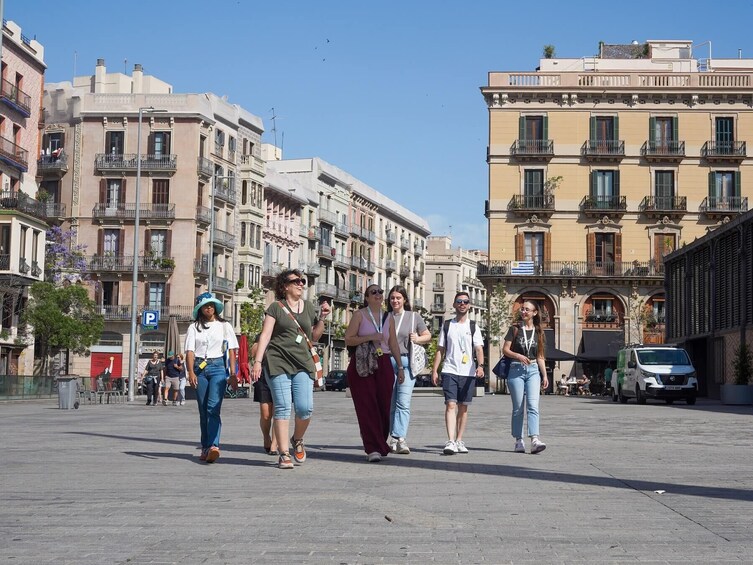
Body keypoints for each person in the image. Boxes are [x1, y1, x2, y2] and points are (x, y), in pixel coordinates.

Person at [251, 270, 331, 469]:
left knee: (305, 408)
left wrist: (322, 318)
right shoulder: (276, 308)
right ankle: (284, 453)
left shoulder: (309, 307)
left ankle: (298, 439)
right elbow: (265, 335)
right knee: (283, 406)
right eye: (296, 281)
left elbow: (314, 336)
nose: (301, 284)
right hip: (278, 362)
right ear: (285, 286)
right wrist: (258, 362)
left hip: (303, 363)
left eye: (302, 281)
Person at [344, 283, 403, 462]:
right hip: (363, 364)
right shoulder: (359, 315)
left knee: (384, 406)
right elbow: (349, 339)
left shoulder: (389, 317)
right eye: (373, 292)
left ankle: (380, 442)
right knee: (367, 406)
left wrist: (400, 367)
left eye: (380, 292)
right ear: (367, 297)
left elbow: (393, 344)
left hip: (383, 362)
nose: (377, 294)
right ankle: (372, 448)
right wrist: (370, 337)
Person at [185, 292, 238, 463]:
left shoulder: (225, 326)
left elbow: (231, 350)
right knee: (202, 409)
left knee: (213, 407)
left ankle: (214, 445)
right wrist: (191, 372)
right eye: (205, 305)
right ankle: (206, 446)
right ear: (200, 309)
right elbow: (189, 351)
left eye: (212, 304)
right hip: (200, 368)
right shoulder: (193, 327)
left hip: (218, 368)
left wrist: (233, 373)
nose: (209, 307)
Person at [431, 291, 484, 455]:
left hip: (468, 372)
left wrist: (481, 366)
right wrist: (435, 370)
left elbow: (479, 349)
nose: (462, 304)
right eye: (459, 301)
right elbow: (440, 349)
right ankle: (450, 441)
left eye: (465, 302)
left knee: (463, 408)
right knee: (450, 404)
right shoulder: (447, 325)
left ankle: (459, 440)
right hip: (450, 370)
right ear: (454, 304)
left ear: (469, 305)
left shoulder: (473, 326)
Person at [385, 285, 431, 455]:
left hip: (406, 362)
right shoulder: (385, 317)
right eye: (392, 298)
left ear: (404, 299)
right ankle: (393, 438)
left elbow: (428, 336)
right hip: (387, 362)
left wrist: (418, 338)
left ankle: (400, 438)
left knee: (403, 402)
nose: (395, 301)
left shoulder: (413, 317)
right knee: (390, 403)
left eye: (398, 298)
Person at [503, 300, 549, 454]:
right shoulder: (514, 329)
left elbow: (540, 355)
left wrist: (544, 375)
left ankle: (535, 439)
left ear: (534, 313)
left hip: (534, 369)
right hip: (516, 369)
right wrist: (518, 356)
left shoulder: (539, 331)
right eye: (522, 309)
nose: (523, 312)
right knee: (518, 408)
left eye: (527, 310)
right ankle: (518, 440)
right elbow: (505, 350)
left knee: (533, 406)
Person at [251, 334, 277, 455]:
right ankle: (266, 437)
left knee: (280, 412)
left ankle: (274, 444)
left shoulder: (287, 331)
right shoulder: (262, 335)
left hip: (281, 374)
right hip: (264, 375)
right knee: (266, 414)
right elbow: (254, 352)